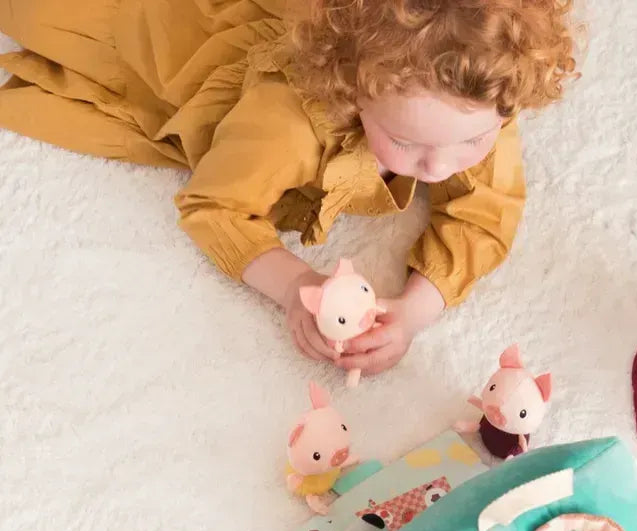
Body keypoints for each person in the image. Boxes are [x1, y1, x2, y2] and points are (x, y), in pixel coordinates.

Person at [0, 0, 576, 374]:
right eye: (404, 144)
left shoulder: (483, 96)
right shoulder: (289, 122)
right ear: (353, 91)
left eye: (473, 143)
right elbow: (214, 205)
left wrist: (415, 311)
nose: (436, 168)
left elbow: (486, 213)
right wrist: (295, 282)